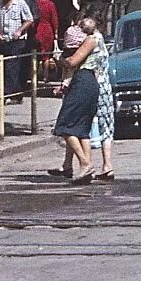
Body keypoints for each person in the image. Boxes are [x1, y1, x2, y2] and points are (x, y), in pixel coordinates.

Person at [47, 21, 103, 184]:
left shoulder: (89, 41)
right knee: (82, 128)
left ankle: (85, 163)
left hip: (82, 82)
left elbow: (71, 63)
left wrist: (60, 59)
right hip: (90, 82)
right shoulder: (94, 40)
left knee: (64, 125)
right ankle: (84, 168)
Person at [0, 0, 33, 104]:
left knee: (11, 67)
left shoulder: (20, 3)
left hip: (16, 42)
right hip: (1, 41)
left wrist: (19, 31)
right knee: (0, 67)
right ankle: (16, 94)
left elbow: (29, 19)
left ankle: (6, 94)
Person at [32, 0, 61, 86]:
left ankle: (33, 76)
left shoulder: (33, 3)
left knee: (34, 54)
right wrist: (56, 31)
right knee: (46, 55)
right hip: (48, 30)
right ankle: (45, 76)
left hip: (36, 29)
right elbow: (54, 19)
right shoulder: (50, 4)